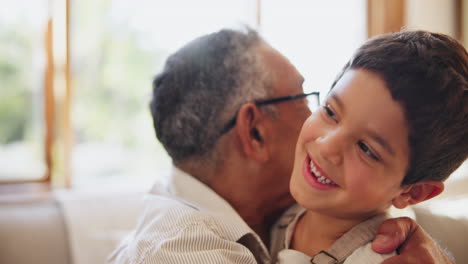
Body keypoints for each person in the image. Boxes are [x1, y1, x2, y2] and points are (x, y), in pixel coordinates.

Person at [108, 28, 457, 264]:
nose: (325, 143)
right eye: (320, 105)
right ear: (255, 132)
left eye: (366, 148)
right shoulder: (185, 247)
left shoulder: (283, 216)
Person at [270, 30, 467, 264]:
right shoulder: (285, 211)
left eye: (366, 149)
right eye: (331, 112)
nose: (326, 146)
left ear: (413, 192)